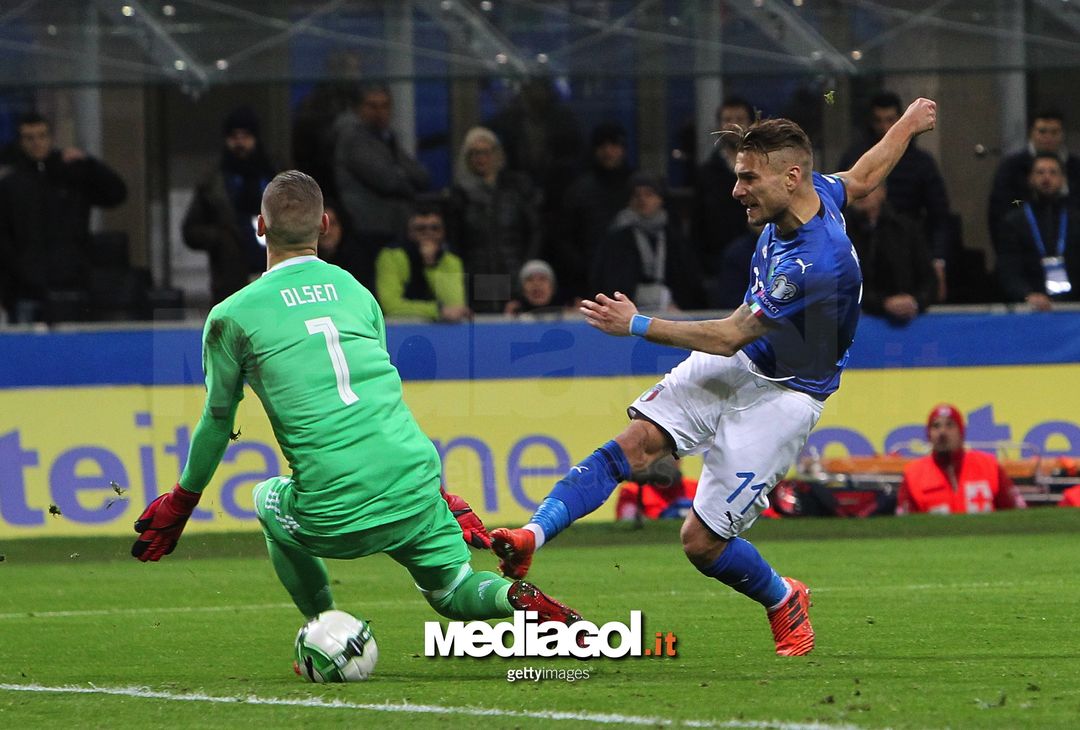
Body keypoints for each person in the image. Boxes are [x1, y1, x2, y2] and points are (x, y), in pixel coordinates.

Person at [491, 99, 940, 657]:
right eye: (736, 176)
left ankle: (782, 598)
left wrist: (635, 324)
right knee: (636, 443)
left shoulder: (814, 264)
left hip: (787, 394)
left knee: (700, 543)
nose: (737, 191)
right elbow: (865, 175)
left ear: (790, 176)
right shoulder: (817, 193)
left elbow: (729, 335)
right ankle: (530, 536)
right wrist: (908, 122)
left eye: (749, 178)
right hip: (747, 363)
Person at [131, 171, 582, 646]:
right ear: (324, 224)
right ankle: (514, 599)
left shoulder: (231, 316)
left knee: (265, 498)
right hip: (415, 479)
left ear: (259, 227)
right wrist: (443, 495)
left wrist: (183, 500)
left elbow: (219, 419)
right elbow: (377, 403)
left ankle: (327, 627)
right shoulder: (357, 293)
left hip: (334, 506)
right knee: (453, 589)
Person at [0, 111, 127, 322]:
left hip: (72, 283)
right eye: (29, 138)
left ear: (51, 138)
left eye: (41, 136)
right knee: (27, 349)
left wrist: (90, 164)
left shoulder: (72, 174)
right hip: (25, 288)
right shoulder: (10, 185)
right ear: (21, 142)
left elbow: (116, 194)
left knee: (75, 346)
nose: (36, 143)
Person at [839, 92, 952, 301]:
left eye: (890, 120)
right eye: (879, 120)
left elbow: (939, 215)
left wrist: (938, 260)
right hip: (861, 246)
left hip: (910, 252)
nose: (884, 127)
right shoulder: (855, 159)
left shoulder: (921, 164)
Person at [333, 83, 431, 289]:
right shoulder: (352, 138)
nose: (380, 112)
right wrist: (404, 180)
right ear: (359, 108)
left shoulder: (388, 139)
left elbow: (422, 176)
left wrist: (401, 175)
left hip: (392, 230)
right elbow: (387, 180)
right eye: (372, 106)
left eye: (385, 106)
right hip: (365, 232)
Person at [183, 106, 278, 304]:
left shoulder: (274, 175)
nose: (240, 142)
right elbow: (190, 230)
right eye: (234, 136)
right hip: (231, 279)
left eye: (246, 136)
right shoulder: (213, 181)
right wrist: (221, 238)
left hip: (273, 271)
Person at [449, 126, 541, 313]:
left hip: (515, 272)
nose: (480, 158)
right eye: (474, 153)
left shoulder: (516, 190)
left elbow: (534, 231)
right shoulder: (459, 196)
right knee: (488, 324)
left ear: (497, 154)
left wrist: (526, 268)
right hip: (477, 275)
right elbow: (455, 243)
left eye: (486, 152)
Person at [590, 173, 705, 311]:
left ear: (660, 199)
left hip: (672, 310)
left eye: (649, 194)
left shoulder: (673, 235)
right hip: (629, 310)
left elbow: (688, 278)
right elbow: (611, 280)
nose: (642, 199)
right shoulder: (617, 236)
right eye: (637, 195)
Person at [553, 122, 635, 300]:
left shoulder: (637, 188)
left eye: (613, 145)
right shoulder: (579, 190)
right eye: (602, 146)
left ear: (623, 149)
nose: (608, 151)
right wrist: (584, 267)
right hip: (589, 282)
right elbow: (564, 238)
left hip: (633, 279)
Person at [896, 404, 1026, 515]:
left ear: (961, 432)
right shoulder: (914, 474)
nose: (942, 432)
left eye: (950, 425)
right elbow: (905, 527)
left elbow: (1016, 516)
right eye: (936, 426)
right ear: (928, 435)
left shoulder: (989, 466)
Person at [994, 153, 1079, 309]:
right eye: (1040, 172)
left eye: (1053, 172)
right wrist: (1026, 294)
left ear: (1063, 180)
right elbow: (1008, 268)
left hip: (1073, 306)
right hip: (1029, 306)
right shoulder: (1015, 221)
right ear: (1030, 179)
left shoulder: (1075, 219)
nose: (1046, 178)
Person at [988, 110, 1080, 250]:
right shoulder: (1012, 166)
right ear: (1032, 133)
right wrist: (1023, 206)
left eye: (1054, 132)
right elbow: (1004, 205)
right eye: (1042, 131)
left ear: (1062, 135)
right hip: (1023, 245)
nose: (1048, 137)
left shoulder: (1075, 167)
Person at [846, 182, 936, 323]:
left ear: (883, 192)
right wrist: (882, 304)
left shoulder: (905, 229)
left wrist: (915, 301)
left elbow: (929, 281)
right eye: (854, 188)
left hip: (909, 321)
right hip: (859, 325)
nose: (862, 193)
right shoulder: (838, 233)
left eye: (868, 186)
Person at [695, 97, 758, 284]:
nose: (733, 126)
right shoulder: (706, 173)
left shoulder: (765, 170)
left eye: (740, 119)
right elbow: (698, 228)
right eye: (727, 120)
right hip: (719, 267)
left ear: (751, 124)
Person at [374, 207, 470, 322]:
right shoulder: (391, 256)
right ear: (409, 232)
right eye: (420, 229)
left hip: (442, 330)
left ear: (443, 232)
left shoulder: (450, 260)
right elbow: (390, 305)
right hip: (398, 327)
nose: (428, 233)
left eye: (435, 228)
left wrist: (431, 264)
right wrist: (436, 311)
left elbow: (453, 306)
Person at [614, 455, 697, 522]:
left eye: (672, 454)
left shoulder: (696, 488)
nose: (667, 459)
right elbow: (628, 526)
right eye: (662, 453)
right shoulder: (632, 491)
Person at [504, 259, 569, 318]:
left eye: (542, 279)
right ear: (522, 290)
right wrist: (507, 319)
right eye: (530, 279)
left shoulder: (570, 315)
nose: (536, 284)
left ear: (552, 288)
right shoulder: (511, 315)